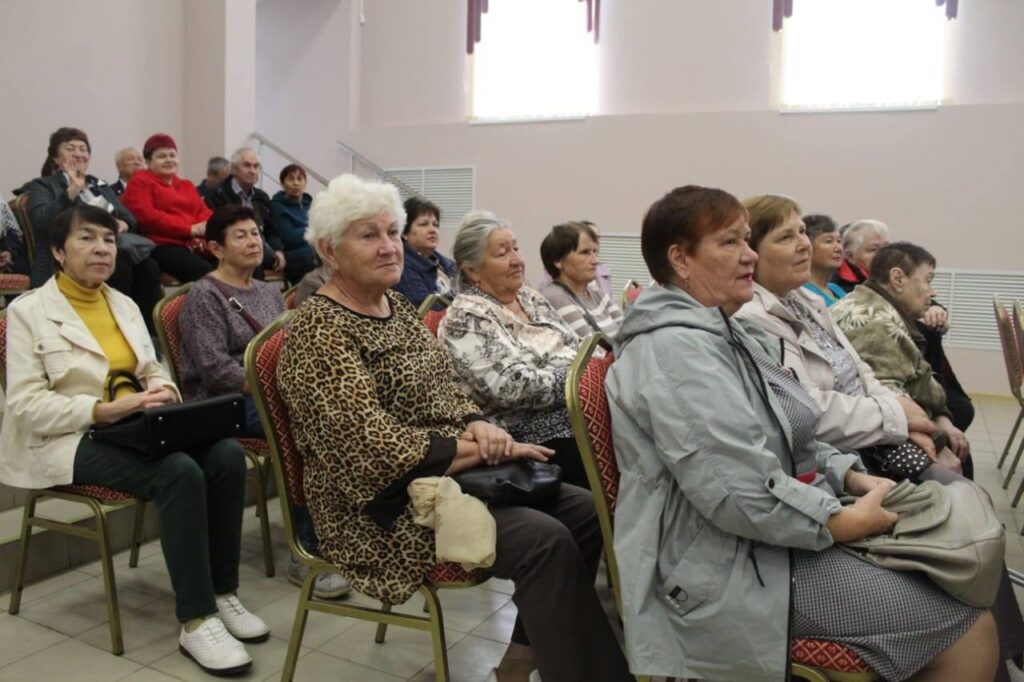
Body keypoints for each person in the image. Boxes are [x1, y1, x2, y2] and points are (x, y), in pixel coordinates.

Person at [607, 184, 998, 682]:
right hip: (721, 568)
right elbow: (739, 495)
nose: (748, 254)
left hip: (766, 537)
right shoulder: (677, 351)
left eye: (748, 240)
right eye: (731, 243)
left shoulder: (724, 330)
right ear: (680, 259)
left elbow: (793, 425)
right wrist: (842, 521)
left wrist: (851, 476)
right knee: (967, 626)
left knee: (956, 577)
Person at [276, 174, 632, 682]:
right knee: (544, 540)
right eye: (368, 235)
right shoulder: (318, 330)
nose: (387, 247)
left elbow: (447, 387)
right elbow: (367, 448)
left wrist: (475, 423)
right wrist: (476, 449)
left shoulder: (395, 308)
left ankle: (522, 658)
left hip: (442, 477)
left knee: (585, 509)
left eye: (391, 232)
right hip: (379, 507)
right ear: (330, 251)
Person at [0, 204, 268, 676]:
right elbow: (24, 405)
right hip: (69, 436)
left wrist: (161, 390)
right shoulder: (27, 313)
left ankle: (223, 593)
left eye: (107, 239)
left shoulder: (122, 303)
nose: (102, 248)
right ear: (59, 252)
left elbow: (152, 368)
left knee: (225, 454)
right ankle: (196, 618)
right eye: (86, 239)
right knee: (179, 472)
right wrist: (102, 410)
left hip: (137, 427)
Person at [178, 205, 349, 600]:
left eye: (256, 233)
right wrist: (277, 388)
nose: (254, 241)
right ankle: (306, 554)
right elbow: (215, 370)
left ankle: (341, 536)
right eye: (241, 235)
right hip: (223, 404)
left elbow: (289, 350)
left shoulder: (268, 291)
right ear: (216, 248)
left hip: (269, 394)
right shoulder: (204, 296)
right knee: (307, 431)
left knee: (337, 417)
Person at [736, 197, 967, 481]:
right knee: (956, 488)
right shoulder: (751, 317)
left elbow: (860, 371)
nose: (803, 244)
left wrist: (901, 415)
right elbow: (806, 408)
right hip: (843, 451)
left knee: (959, 480)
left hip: (873, 427)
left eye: (801, 232)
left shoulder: (804, 299)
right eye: (785, 237)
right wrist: (897, 418)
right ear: (751, 252)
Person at [439, 213, 589, 489]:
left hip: (579, 413)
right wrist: (583, 381)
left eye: (516, 248)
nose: (517, 260)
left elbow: (577, 348)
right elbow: (512, 387)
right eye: (502, 253)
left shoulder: (529, 297)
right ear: (472, 270)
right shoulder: (466, 316)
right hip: (529, 437)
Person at [831, 242, 973, 466]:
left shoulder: (866, 301)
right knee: (958, 460)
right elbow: (892, 402)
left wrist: (942, 417)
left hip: (890, 425)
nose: (932, 291)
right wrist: (938, 440)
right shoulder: (877, 324)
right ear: (898, 279)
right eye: (928, 280)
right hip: (877, 442)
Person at [21, 127, 162, 334]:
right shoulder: (43, 186)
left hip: (113, 250)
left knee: (148, 266)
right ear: (55, 157)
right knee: (119, 265)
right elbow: (43, 221)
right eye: (71, 148)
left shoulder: (99, 185)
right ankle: (112, 331)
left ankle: (143, 334)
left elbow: (129, 217)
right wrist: (71, 191)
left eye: (83, 149)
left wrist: (122, 224)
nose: (79, 153)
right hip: (63, 255)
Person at [121, 133, 214, 283]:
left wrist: (204, 226)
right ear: (148, 161)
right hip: (160, 245)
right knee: (203, 271)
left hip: (194, 243)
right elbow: (147, 216)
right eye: (162, 156)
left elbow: (204, 212)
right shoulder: (140, 181)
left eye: (172, 155)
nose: (169, 160)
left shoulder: (186, 185)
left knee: (234, 262)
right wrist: (189, 228)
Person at [204, 147, 284, 275]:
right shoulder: (217, 194)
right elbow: (215, 232)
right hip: (231, 248)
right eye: (247, 166)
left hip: (259, 246)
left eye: (256, 166)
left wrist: (278, 250)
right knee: (253, 259)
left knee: (300, 257)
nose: (253, 171)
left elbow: (271, 230)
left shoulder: (262, 197)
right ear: (234, 169)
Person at [539, 220, 623, 340]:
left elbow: (628, 331)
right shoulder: (556, 298)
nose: (595, 260)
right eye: (585, 253)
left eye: (595, 251)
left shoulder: (595, 292)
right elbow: (594, 351)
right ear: (558, 261)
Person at [393, 196, 456, 308]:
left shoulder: (448, 264)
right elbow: (429, 310)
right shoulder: (403, 268)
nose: (432, 230)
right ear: (404, 233)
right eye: (424, 224)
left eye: (435, 225)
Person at [269, 163, 316, 285]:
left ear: (305, 183)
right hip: (293, 254)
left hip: (311, 248)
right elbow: (288, 237)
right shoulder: (277, 206)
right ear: (282, 183)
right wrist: (314, 228)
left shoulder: (309, 204)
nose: (296, 183)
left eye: (300, 179)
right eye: (291, 179)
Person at [832, 218, 889, 294]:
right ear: (850, 256)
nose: (883, 254)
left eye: (886, 247)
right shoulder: (837, 285)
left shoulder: (897, 276)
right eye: (873, 249)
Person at [801, 213, 847, 306]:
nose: (838, 248)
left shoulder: (837, 289)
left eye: (839, 241)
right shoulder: (801, 292)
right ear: (807, 247)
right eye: (829, 241)